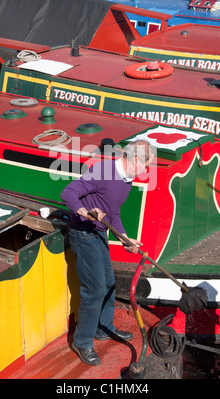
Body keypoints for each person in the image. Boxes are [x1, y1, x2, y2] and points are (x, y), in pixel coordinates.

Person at [60, 139, 155, 366]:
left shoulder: (126, 182)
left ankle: (104, 327)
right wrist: (84, 211)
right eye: (147, 164)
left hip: (99, 233)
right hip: (83, 234)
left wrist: (125, 240)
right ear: (135, 160)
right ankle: (82, 341)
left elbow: (114, 214)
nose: (147, 169)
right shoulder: (103, 171)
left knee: (109, 282)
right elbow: (68, 192)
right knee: (95, 289)